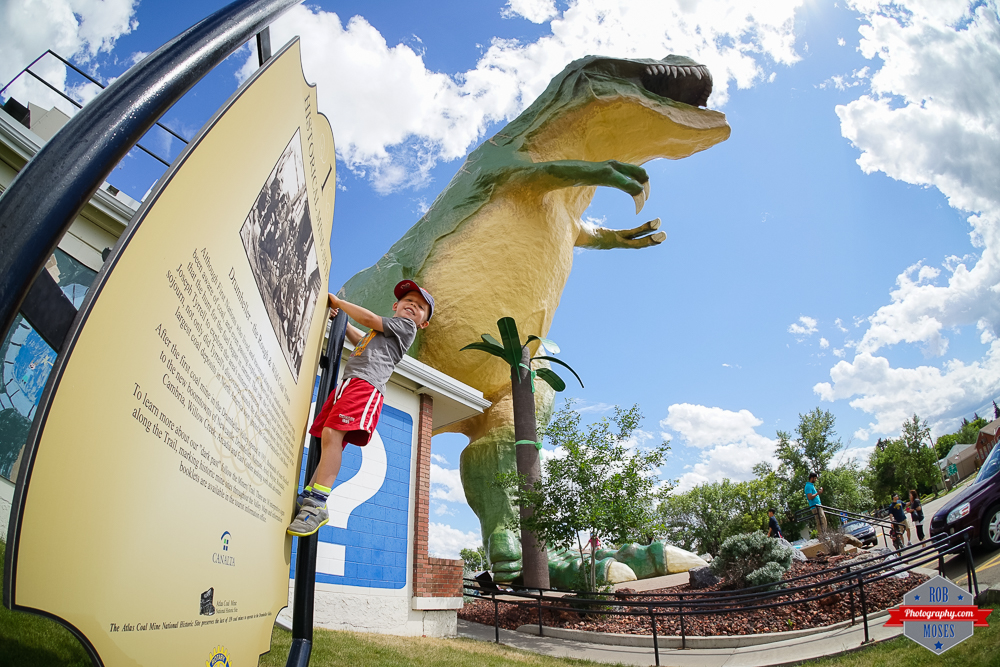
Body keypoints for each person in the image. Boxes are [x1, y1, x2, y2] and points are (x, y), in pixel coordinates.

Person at [286, 280, 434, 536]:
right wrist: (340, 321)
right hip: (350, 383)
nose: (412, 305)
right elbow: (360, 340)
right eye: (408, 300)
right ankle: (311, 494)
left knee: (333, 435)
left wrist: (340, 303)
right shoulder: (382, 334)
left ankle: (318, 503)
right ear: (396, 305)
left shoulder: (405, 327)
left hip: (366, 385)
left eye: (420, 306)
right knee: (328, 439)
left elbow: (369, 319)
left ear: (423, 323)